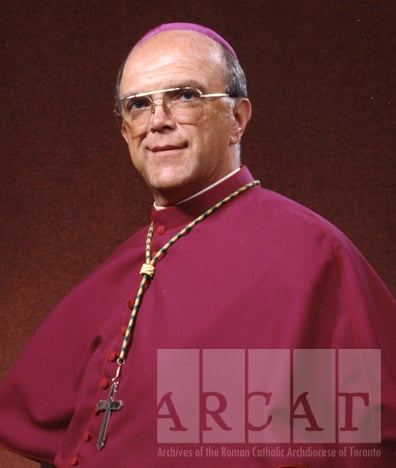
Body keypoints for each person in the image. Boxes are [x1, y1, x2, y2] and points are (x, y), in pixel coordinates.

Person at [0, 22, 395, 468]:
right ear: (124, 130)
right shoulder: (129, 259)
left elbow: (365, 439)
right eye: (138, 105)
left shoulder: (314, 252)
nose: (157, 121)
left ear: (237, 119)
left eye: (185, 96)